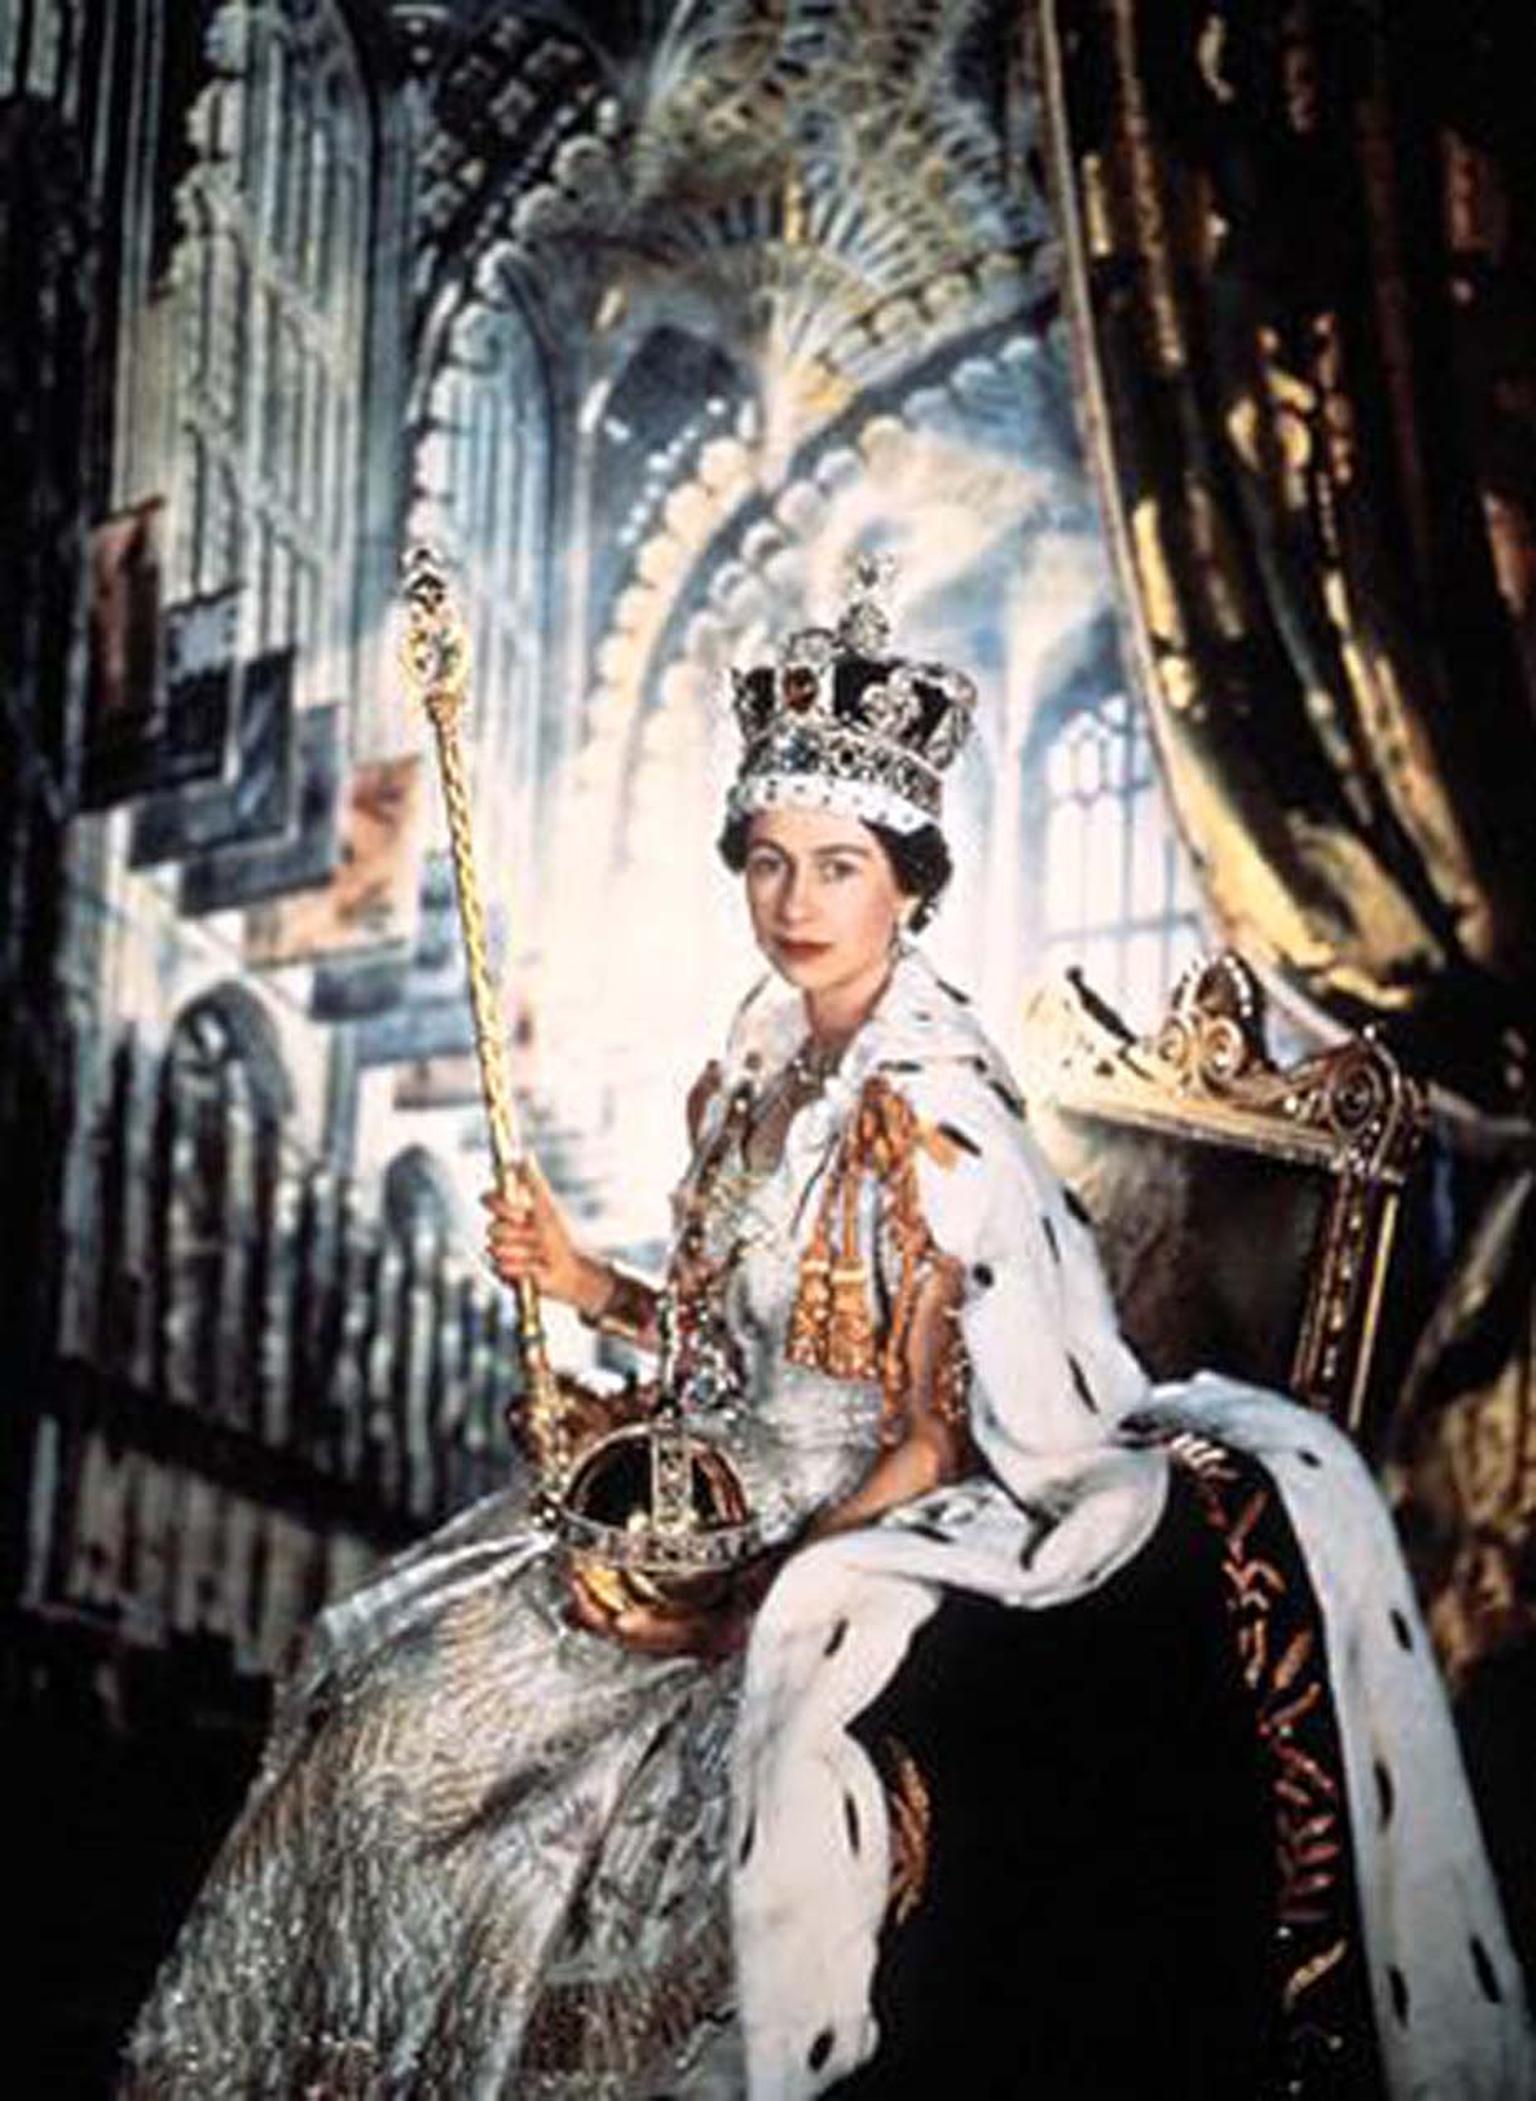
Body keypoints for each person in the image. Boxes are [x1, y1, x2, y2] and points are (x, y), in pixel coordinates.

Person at [121, 573, 1531, 2100]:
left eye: (839, 867)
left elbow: (932, 1433)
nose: (797, 903)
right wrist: (588, 1283)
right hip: (706, 1496)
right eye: (772, 864)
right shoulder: (753, 1075)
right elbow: (721, 1343)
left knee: (556, 1825)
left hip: (850, 1522)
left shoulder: (936, 1117)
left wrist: (745, 1599)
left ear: (908, 886)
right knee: (380, 1710)